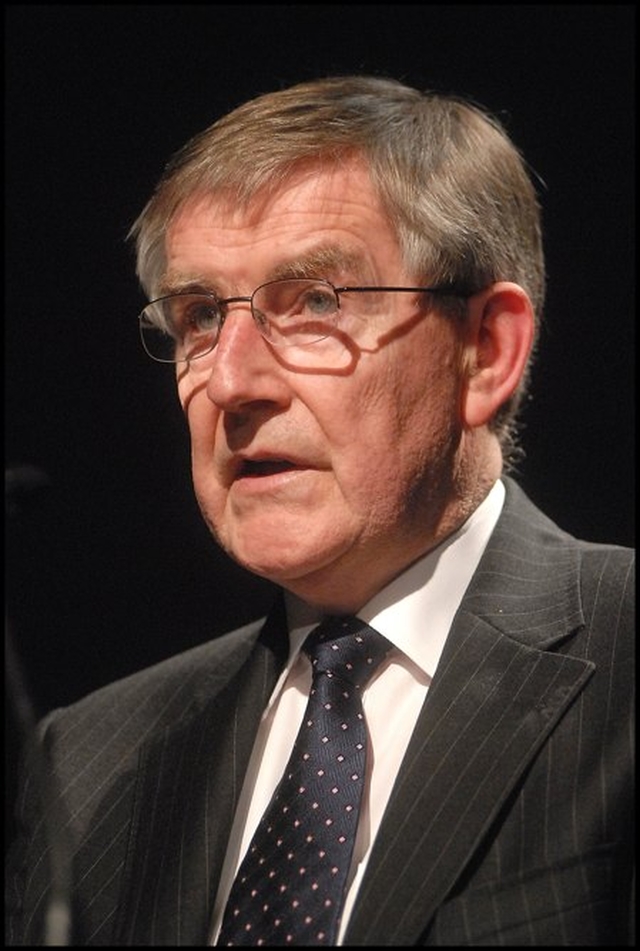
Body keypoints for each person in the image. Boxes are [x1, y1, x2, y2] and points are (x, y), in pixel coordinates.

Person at [5, 75, 634, 947]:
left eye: (314, 303)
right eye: (196, 316)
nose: (230, 381)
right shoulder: (88, 756)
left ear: (486, 352)